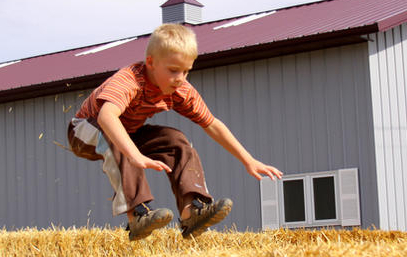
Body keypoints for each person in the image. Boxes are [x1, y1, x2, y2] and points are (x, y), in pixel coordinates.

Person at [67, 23, 282, 241]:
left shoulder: (180, 90)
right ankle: (137, 216)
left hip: (129, 131)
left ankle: (192, 212)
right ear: (150, 62)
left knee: (175, 140)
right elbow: (106, 117)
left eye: (186, 71)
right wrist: (135, 156)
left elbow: (212, 124)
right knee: (114, 139)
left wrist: (248, 159)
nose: (181, 78)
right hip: (84, 130)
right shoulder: (130, 80)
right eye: (173, 70)